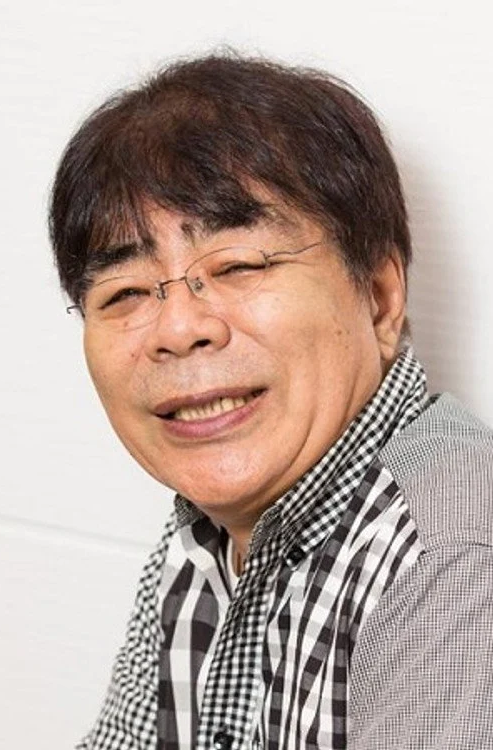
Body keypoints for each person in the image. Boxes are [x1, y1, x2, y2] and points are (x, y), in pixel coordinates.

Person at [49, 53, 493, 750]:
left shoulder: (451, 556)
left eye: (237, 266)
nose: (178, 329)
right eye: (125, 292)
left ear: (380, 297)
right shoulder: (209, 529)